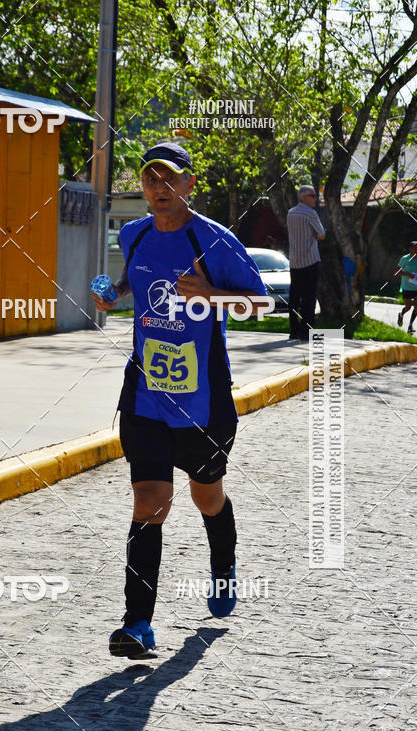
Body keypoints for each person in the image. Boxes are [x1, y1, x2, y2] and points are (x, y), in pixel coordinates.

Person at [92, 141, 268, 659]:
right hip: (146, 395)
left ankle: (222, 567)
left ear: (190, 184)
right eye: (150, 179)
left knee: (205, 496)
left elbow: (259, 304)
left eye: (170, 179)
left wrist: (211, 296)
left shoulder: (215, 240)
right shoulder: (134, 232)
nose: (159, 188)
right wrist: (115, 294)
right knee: (150, 501)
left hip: (204, 401)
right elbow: (134, 279)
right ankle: (137, 623)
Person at [286, 185, 326, 341]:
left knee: (294, 297)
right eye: (313, 196)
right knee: (309, 297)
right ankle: (307, 331)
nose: (315, 199)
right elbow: (321, 235)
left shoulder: (290, 213)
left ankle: (294, 330)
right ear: (304, 197)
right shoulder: (310, 213)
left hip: (294, 260)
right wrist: (315, 234)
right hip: (310, 259)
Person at [396, 241, 417, 334]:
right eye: (415, 247)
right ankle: (401, 314)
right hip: (407, 287)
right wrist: (408, 274)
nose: (416, 249)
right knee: (408, 307)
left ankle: (410, 325)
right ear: (410, 249)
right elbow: (397, 272)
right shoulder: (405, 259)